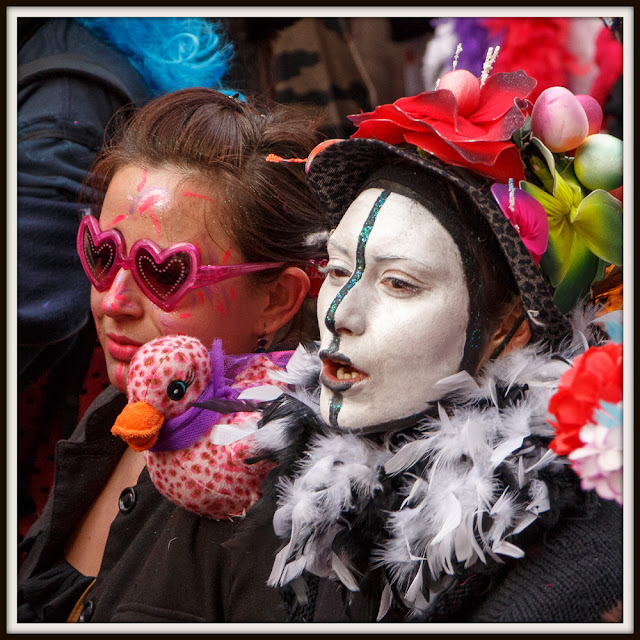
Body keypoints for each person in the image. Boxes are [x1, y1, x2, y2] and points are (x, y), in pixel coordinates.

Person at [17, 87, 328, 623]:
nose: (113, 301)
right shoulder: (120, 410)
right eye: (101, 254)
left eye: (163, 273)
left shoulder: (276, 499)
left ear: (276, 300)